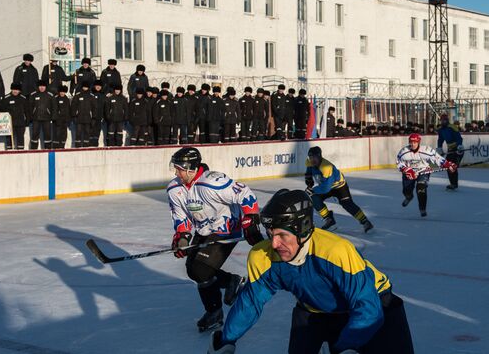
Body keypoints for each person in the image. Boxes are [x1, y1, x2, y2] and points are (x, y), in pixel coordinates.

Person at [207, 189, 414, 354]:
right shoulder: (263, 256)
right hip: (316, 312)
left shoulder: (335, 251)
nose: (274, 243)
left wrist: (345, 346)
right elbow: (251, 302)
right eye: (270, 234)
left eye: (281, 235)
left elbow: (367, 307)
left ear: (303, 228)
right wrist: (226, 340)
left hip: (376, 306)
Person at [167, 147, 263, 333]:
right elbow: (181, 218)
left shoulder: (212, 182)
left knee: (201, 269)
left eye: (179, 168)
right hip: (204, 230)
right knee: (193, 271)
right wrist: (182, 237)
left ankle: (219, 303)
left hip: (227, 229)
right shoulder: (174, 189)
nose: (176, 172)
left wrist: (250, 219)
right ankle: (222, 297)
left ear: (190, 169)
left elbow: (244, 193)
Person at [306, 146, 374, 232]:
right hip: (326, 185)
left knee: (347, 204)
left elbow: (325, 189)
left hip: (339, 187)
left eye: (314, 158)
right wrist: (308, 179)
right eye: (310, 158)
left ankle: (365, 221)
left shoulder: (326, 167)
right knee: (314, 198)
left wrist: (313, 190)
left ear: (319, 156)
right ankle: (329, 220)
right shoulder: (309, 162)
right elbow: (308, 171)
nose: (312, 160)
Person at [397, 133, 457, 217]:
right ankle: (409, 197)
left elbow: (437, 158)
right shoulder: (404, 152)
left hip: (423, 171)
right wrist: (406, 170)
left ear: (418, 142)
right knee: (406, 190)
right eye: (411, 142)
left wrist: (448, 165)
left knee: (421, 188)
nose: (413, 144)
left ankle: (422, 208)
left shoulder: (426, 150)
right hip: (409, 172)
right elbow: (399, 163)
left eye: (415, 142)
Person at [436, 114, 464, 190]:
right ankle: (453, 184)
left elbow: (459, 138)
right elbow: (440, 140)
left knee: (453, 167)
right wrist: (439, 148)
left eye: (445, 120)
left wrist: (459, 145)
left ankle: (454, 184)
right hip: (450, 150)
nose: (443, 122)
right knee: (448, 167)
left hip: (458, 149)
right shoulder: (441, 130)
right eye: (442, 120)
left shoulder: (452, 127)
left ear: (447, 120)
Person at [1, 83, 29, 150]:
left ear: (19, 91)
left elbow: (27, 110)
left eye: (17, 90)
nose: (15, 91)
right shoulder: (6, 98)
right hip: (9, 123)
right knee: (9, 139)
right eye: (14, 89)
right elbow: (1, 109)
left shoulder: (23, 98)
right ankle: (9, 152)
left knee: (20, 138)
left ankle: (21, 151)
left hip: (20, 122)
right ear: (11, 89)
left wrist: (27, 120)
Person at [28, 80, 55, 150]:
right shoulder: (33, 94)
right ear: (38, 87)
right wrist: (31, 117)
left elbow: (54, 107)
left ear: (45, 87)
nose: (42, 88)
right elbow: (30, 107)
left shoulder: (50, 95)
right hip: (36, 118)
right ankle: (33, 149)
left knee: (47, 134)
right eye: (40, 86)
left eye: (43, 86)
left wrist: (53, 117)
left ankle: (48, 149)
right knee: (34, 134)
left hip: (47, 118)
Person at [71, 81, 96, 148]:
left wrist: (94, 118)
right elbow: (73, 106)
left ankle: (86, 146)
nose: (85, 88)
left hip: (88, 119)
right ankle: (77, 146)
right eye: (84, 87)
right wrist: (74, 116)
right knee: (78, 133)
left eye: (86, 87)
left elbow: (94, 108)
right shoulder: (78, 95)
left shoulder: (91, 96)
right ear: (82, 87)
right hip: (79, 118)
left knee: (87, 133)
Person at [91, 80, 107, 147]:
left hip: (99, 116)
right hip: (92, 117)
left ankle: (95, 144)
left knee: (97, 131)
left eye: (99, 86)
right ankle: (90, 144)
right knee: (91, 130)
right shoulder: (91, 94)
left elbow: (105, 107)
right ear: (94, 86)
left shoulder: (103, 95)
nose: (98, 87)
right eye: (97, 86)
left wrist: (104, 116)